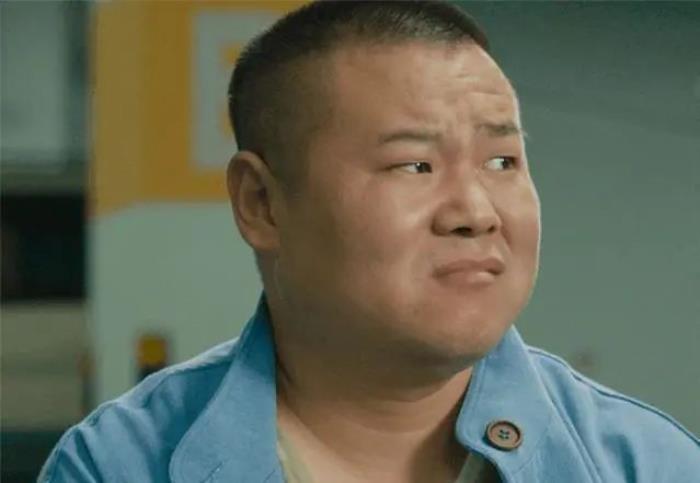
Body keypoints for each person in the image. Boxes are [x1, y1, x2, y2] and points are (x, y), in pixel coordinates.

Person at [40, 1, 699, 482]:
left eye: (502, 161)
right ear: (261, 203)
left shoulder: (644, 464)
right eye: (414, 165)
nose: (475, 212)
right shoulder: (121, 464)